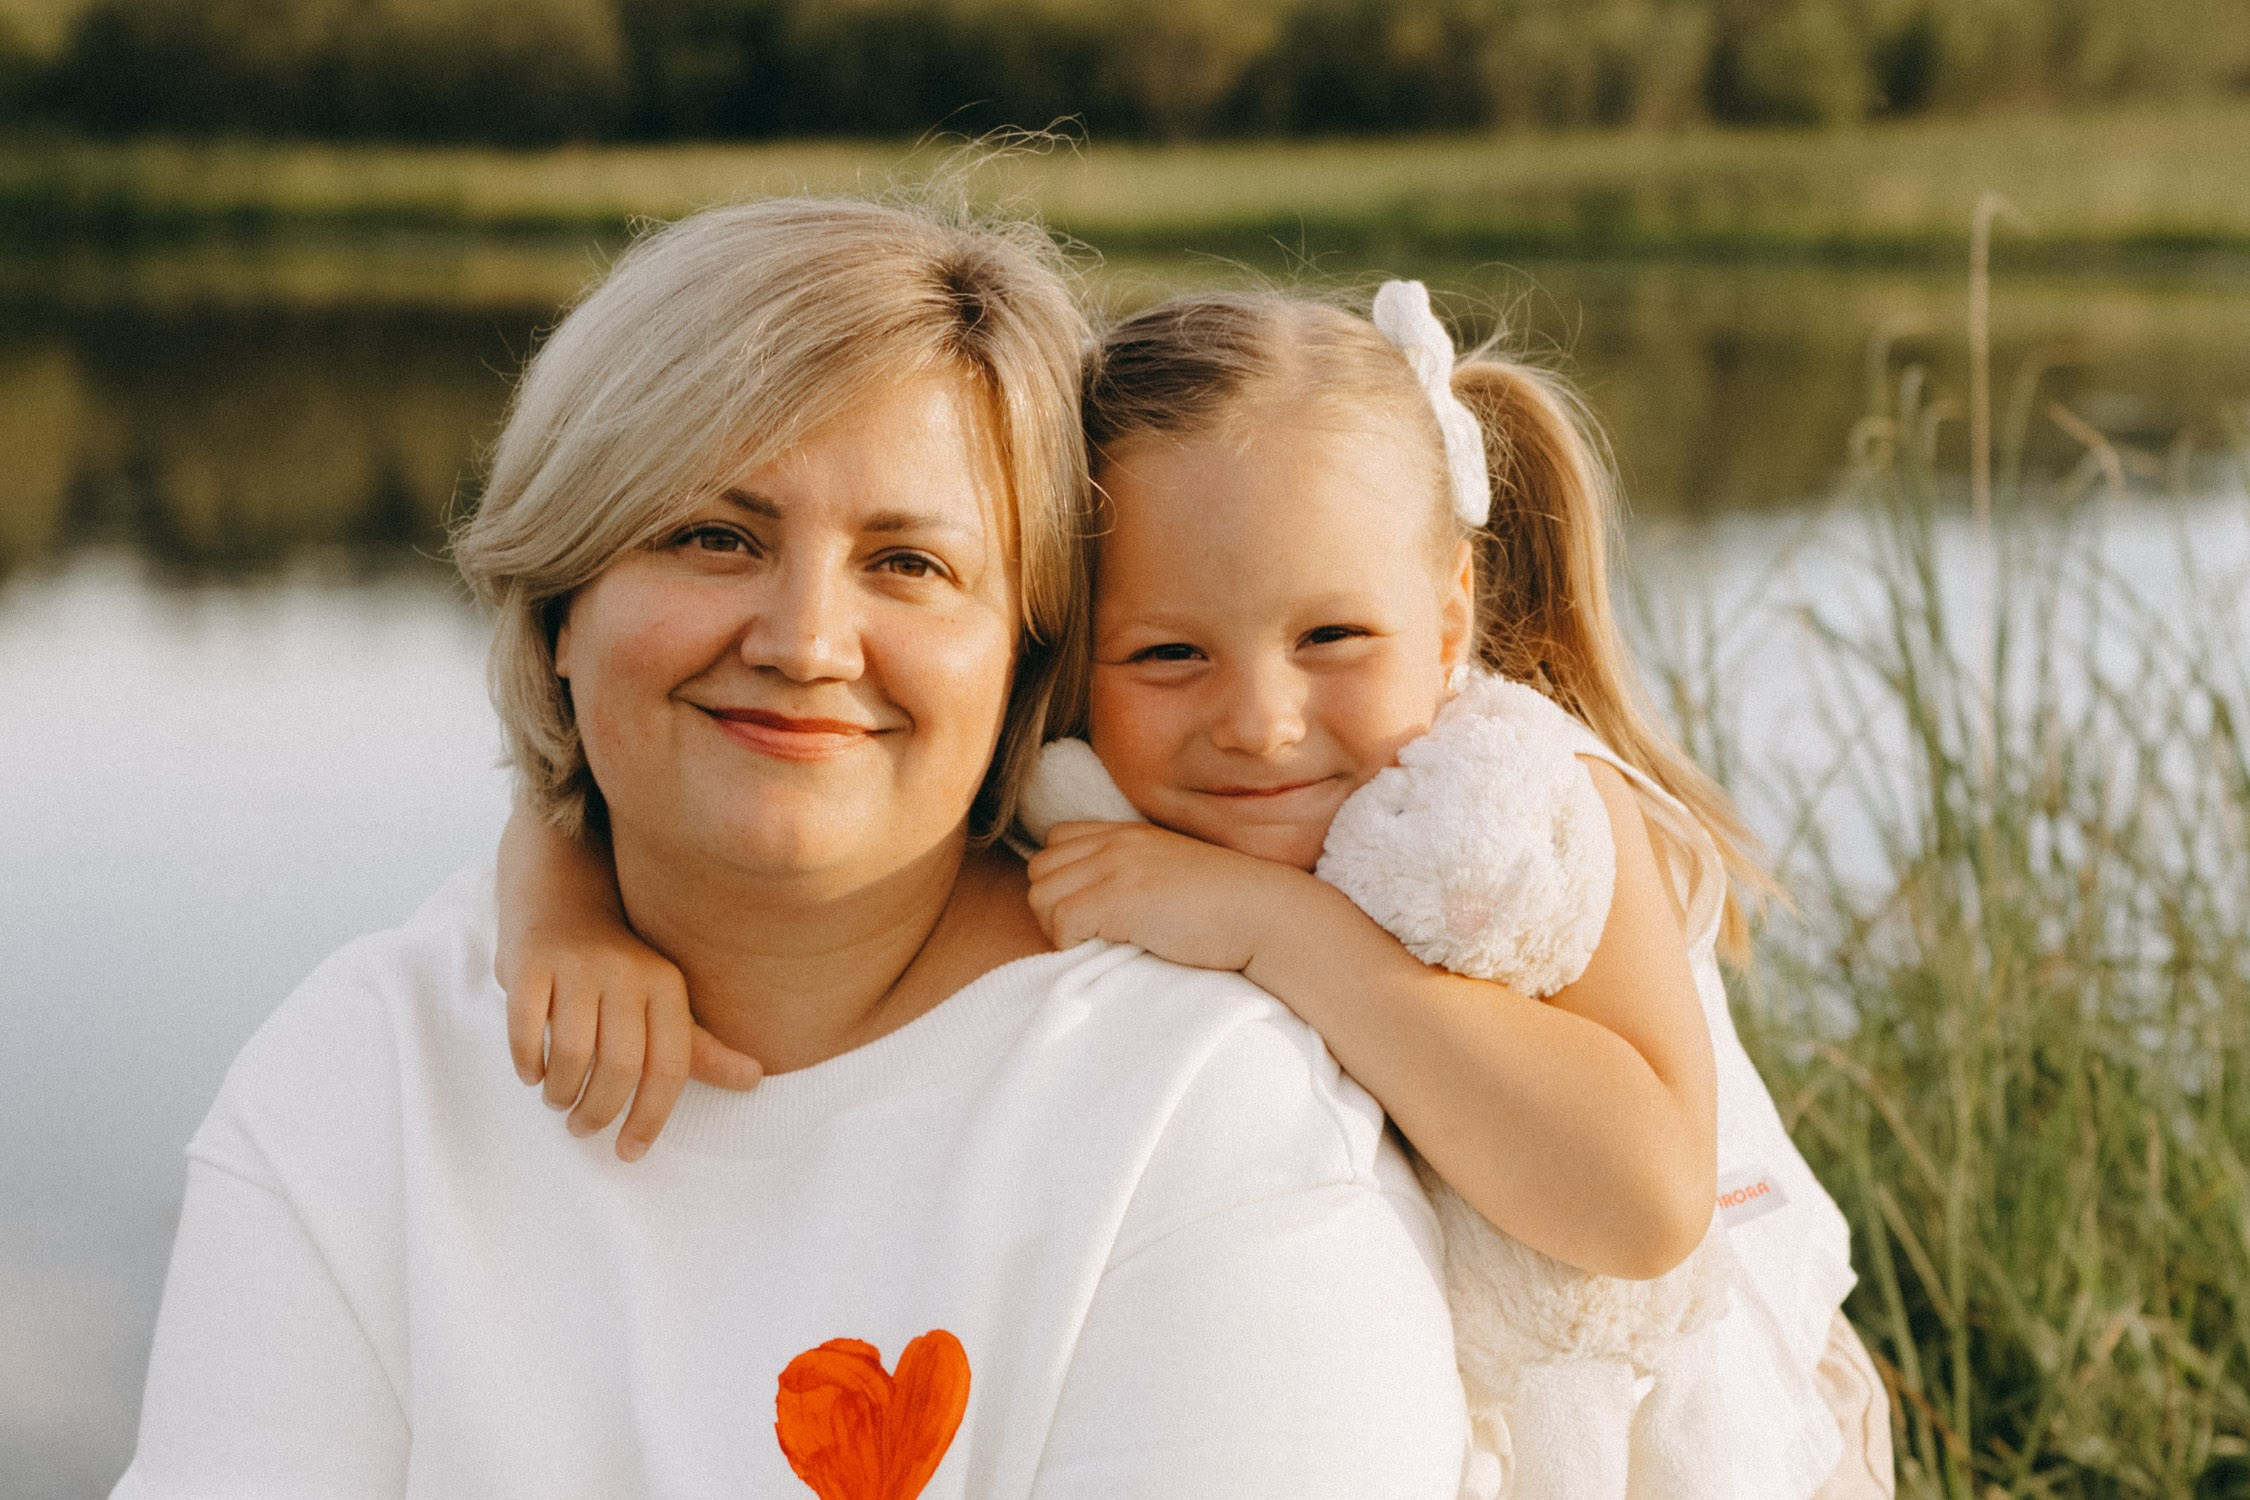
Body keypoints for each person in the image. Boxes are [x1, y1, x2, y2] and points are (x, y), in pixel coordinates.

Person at [111, 198, 1471, 1500]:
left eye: (909, 565)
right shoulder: (365, 1076)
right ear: (559, 609)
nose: (804, 642)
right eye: (712, 537)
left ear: (1027, 657)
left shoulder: (1200, 1115)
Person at [502, 281, 1893, 1497]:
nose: (1260, 722)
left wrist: (1281, 929)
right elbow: (620, 784)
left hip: (1674, 1437)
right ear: (1056, 647)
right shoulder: (1070, 770)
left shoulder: (1521, 806)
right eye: (1167, 655)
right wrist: (560, 914)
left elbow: (1643, 1206)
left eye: (1333, 637)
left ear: (1453, 618)